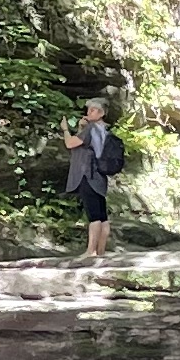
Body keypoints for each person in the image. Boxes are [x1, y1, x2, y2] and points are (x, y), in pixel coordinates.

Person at [59, 100, 124, 258]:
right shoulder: (104, 131)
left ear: (102, 113)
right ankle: (100, 251)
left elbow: (71, 143)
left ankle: (91, 251)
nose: (89, 112)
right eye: (89, 109)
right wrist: (82, 127)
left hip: (87, 175)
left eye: (94, 110)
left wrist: (65, 129)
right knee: (102, 216)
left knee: (93, 215)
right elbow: (90, 147)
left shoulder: (91, 129)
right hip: (100, 177)